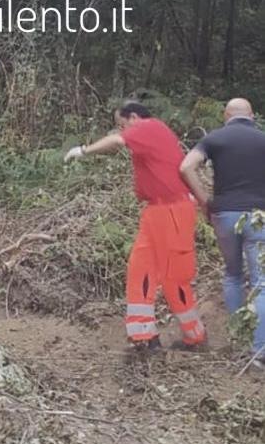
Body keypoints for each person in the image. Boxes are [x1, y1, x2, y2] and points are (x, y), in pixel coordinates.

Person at [65, 101, 206, 352]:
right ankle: (144, 337)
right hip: (157, 210)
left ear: (133, 117)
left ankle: (194, 336)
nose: (121, 130)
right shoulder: (150, 134)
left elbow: (118, 141)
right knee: (140, 269)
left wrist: (84, 151)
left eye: (121, 124)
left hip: (172, 210)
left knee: (174, 276)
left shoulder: (149, 126)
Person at [179, 97, 265, 368]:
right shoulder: (262, 139)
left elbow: (186, 166)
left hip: (224, 214)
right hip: (259, 215)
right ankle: (258, 349)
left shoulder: (215, 139)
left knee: (232, 275)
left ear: (226, 116)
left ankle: (239, 342)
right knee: (261, 283)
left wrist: (205, 200)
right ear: (252, 116)